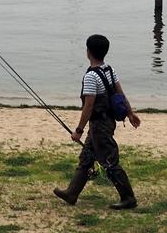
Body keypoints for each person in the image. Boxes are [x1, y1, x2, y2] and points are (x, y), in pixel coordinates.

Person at [54, 34, 141, 210]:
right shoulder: (109, 70)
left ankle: (128, 198)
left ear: (89, 52)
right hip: (106, 122)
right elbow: (120, 94)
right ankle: (72, 193)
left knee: (109, 161)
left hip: (99, 125)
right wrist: (130, 113)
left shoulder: (91, 77)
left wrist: (78, 129)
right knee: (86, 158)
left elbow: (89, 106)